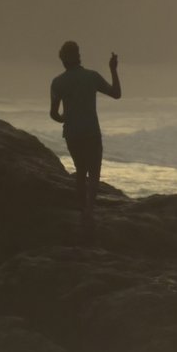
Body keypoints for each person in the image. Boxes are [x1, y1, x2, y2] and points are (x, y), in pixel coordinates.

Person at [49, 41, 122, 224]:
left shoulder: (58, 82)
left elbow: (53, 114)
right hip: (91, 131)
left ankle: (82, 208)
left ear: (63, 60)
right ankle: (89, 211)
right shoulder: (92, 77)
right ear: (79, 57)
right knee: (94, 173)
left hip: (72, 133)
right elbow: (116, 93)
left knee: (80, 171)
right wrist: (113, 69)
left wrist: (65, 119)